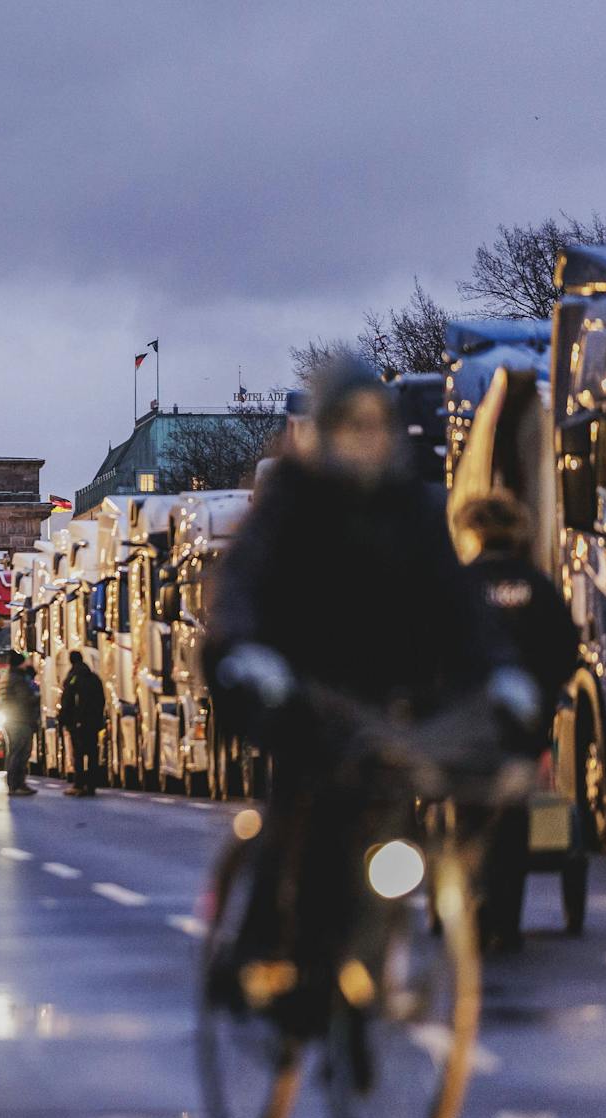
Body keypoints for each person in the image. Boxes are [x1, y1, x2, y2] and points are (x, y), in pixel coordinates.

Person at [207, 353, 528, 1003]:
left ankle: (373, 946)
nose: (367, 437)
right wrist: (244, 651)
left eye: (378, 423)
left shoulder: (414, 510)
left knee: (409, 797)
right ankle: (256, 951)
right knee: (298, 807)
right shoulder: (289, 504)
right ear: (323, 432)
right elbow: (240, 588)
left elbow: (460, 602)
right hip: (300, 692)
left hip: (389, 699)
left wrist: (500, 672)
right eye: (352, 424)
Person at [458, 490, 579, 950]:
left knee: (469, 813)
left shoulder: (459, 586)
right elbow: (565, 652)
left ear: (471, 532)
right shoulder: (537, 587)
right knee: (512, 821)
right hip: (523, 728)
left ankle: (472, 904)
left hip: (469, 727)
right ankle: (507, 920)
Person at [59, 651, 105, 796]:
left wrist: (64, 720)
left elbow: (67, 701)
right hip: (93, 722)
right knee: (92, 752)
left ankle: (79, 784)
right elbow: (101, 700)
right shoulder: (94, 678)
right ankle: (91, 784)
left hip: (78, 722)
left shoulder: (72, 679)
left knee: (78, 754)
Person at [1, 656, 40, 796]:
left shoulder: (8, 676)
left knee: (14, 752)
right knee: (20, 753)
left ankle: (16, 784)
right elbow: (25, 698)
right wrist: (36, 696)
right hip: (20, 720)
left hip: (13, 720)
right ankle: (16, 784)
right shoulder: (17, 680)